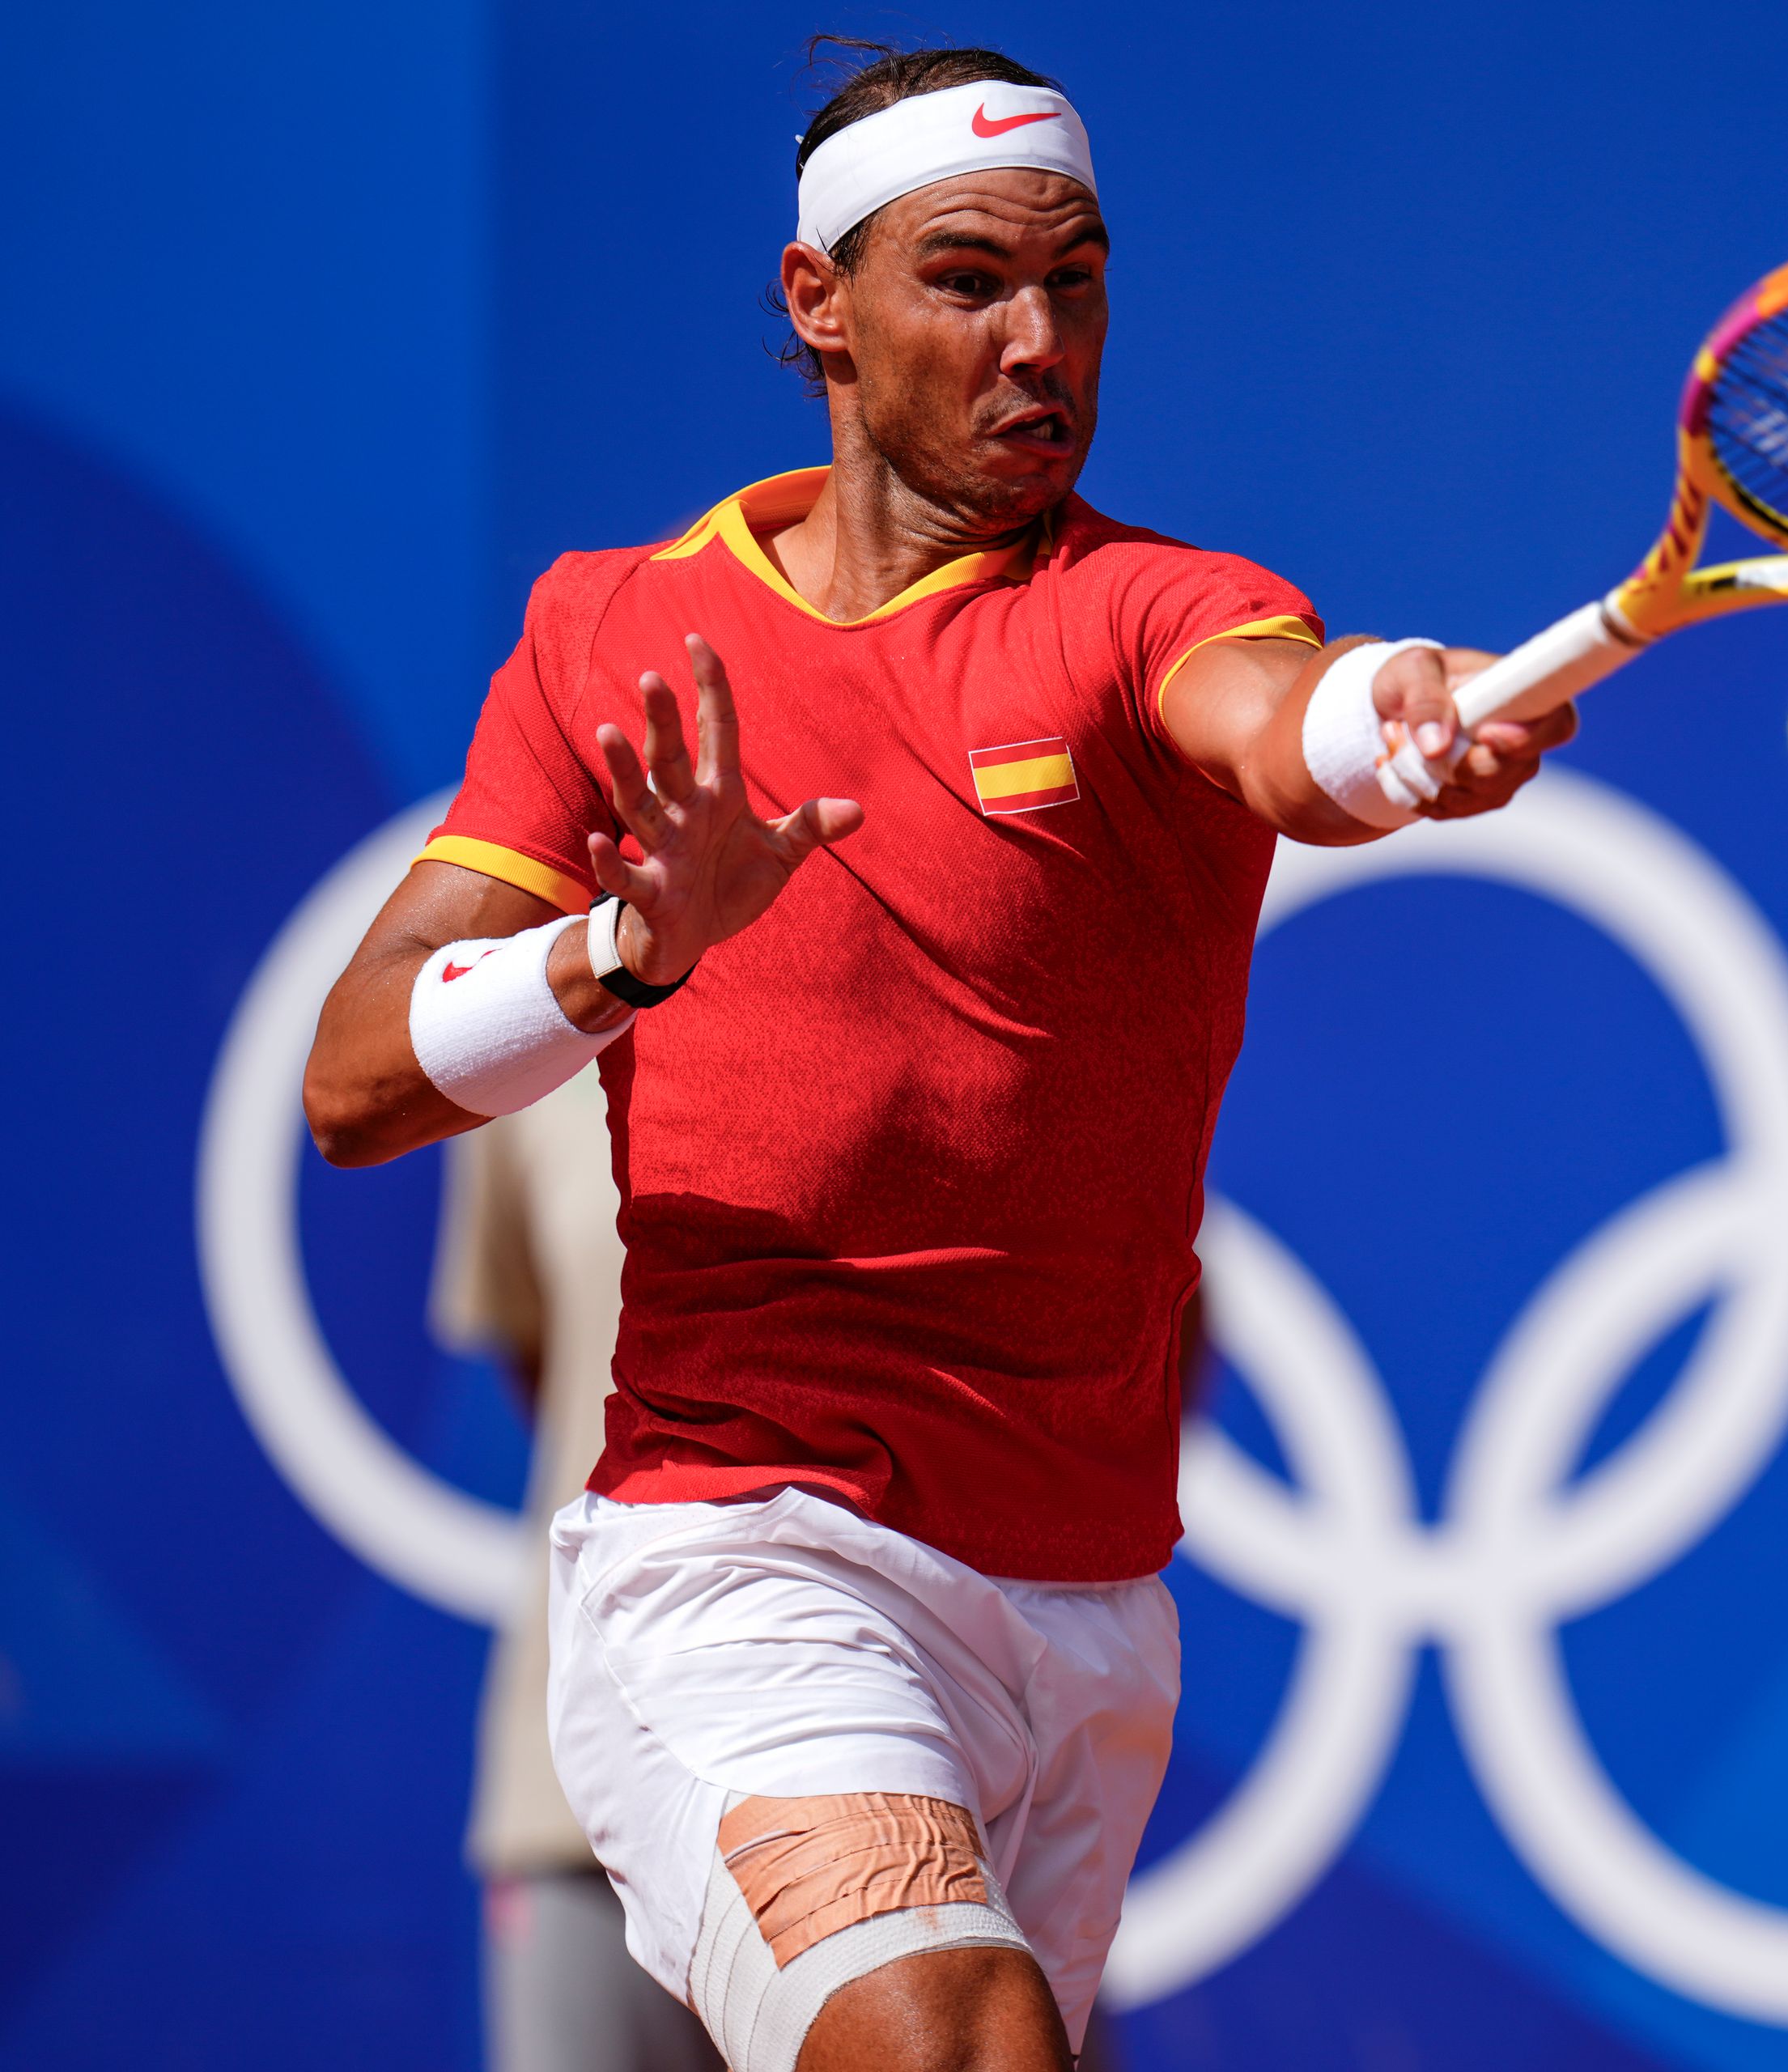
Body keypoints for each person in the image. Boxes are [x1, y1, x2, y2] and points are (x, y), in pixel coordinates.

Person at [301, 42, 1572, 2072]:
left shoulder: (1149, 604)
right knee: (959, 2043)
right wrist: (627, 943)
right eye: (967, 280)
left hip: (1080, 1611)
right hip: (746, 1553)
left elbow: (1277, 713)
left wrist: (1378, 723)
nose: (1037, 340)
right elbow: (357, 1079)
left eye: (1074, 282)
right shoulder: (605, 628)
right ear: (821, 304)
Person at [431, 1072, 719, 2072]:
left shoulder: (969, 965)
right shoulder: (542, 1016)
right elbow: (556, 1364)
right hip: (587, 1792)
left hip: (932, 1775)